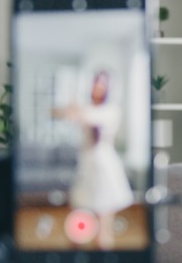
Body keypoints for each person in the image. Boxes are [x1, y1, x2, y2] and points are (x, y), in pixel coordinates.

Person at [52, 70, 134, 250]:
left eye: (103, 83)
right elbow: (59, 113)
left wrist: (75, 108)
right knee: (76, 228)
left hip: (104, 170)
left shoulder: (111, 110)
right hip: (87, 170)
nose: (98, 86)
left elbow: (85, 116)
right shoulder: (88, 107)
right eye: (96, 82)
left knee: (103, 231)